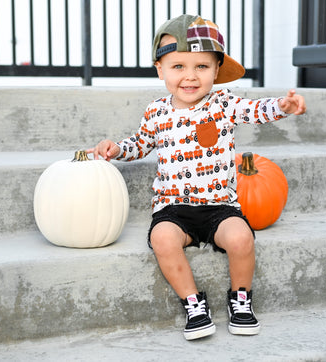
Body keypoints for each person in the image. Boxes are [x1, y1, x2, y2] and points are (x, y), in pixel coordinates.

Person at [87, 14, 306, 341]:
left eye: (201, 67)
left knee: (241, 238)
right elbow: (142, 143)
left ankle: (240, 299)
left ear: (217, 70)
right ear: (160, 69)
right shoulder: (156, 112)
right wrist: (117, 149)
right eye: (178, 67)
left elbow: (255, 110)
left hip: (220, 205)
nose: (190, 77)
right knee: (163, 239)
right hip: (173, 208)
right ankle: (193, 303)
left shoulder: (224, 104)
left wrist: (283, 106)